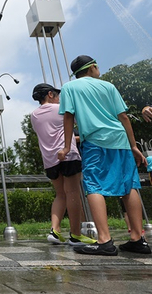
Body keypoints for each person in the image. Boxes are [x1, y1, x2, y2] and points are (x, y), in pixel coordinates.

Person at [58, 55, 150, 255]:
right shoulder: (108, 87)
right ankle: (137, 238)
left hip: (94, 142)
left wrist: (66, 147)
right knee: (129, 185)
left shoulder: (69, 88)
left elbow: (68, 118)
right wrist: (133, 146)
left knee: (94, 186)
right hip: (120, 140)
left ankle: (104, 240)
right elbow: (123, 117)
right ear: (91, 68)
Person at [30, 83, 97, 246]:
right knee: (73, 192)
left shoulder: (34, 115)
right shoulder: (61, 109)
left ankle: (55, 230)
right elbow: (82, 122)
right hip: (68, 155)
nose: (60, 98)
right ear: (50, 94)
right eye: (58, 95)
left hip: (49, 160)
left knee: (60, 194)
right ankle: (75, 235)